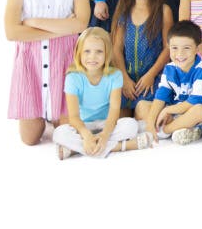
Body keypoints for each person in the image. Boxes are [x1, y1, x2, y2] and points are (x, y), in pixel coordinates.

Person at [5, 0, 90, 145]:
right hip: (31, 69)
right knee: (30, 140)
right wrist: (63, 27)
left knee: (64, 136)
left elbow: (80, 24)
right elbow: (12, 32)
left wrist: (32, 23)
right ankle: (41, 114)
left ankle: (56, 115)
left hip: (65, 67)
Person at [52, 28, 154, 159]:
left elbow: (114, 112)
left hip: (106, 124)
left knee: (130, 125)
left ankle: (76, 150)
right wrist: (87, 136)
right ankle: (123, 146)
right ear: (79, 53)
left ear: (107, 54)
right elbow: (74, 117)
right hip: (84, 125)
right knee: (59, 133)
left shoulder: (115, 75)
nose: (92, 57)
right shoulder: (73, 77)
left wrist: (105, 135)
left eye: (99, 52)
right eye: (87, 51)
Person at [111, 0, 173, 116]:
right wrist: (124, 78)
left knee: (142, 116)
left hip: (152, 80)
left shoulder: (163, 11)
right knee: (119, 122)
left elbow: (168, 48)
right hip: (127, 81)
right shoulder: (124, 12)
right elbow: (116, 49)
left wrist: (151, 75)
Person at [135, 20, 202, 145]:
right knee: (141, 105)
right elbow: (161, 96)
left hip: (193, 111)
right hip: (175, 111)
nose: (180, 54)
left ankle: (166, 130)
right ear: (168, 46)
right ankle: (172, 127)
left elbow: (195, 101)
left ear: (197, 49)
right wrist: (150, 123)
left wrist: (167, 110)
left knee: (200, 110)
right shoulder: (169, 68)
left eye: (186, 48)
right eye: (174, 48)